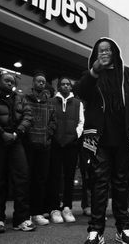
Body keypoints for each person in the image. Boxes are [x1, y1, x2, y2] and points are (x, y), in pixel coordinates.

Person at [74, 37, 129, 244]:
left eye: (107, 49)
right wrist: (94, 71)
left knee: (121, 183)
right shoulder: (92, 76)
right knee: (99, 183)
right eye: (100, 50)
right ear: (95, 54)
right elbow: (80, 92)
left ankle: (123, 229)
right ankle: (95, 231)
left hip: (125, 138)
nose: (104, 53)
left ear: (115, 53)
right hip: (98, 138)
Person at [0, 71, 34, 233]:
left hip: (16, 140)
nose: (10, 83)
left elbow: (28, 116)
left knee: (22, 178)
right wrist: (1, 133)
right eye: (6, 80)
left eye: (12, 81)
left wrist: (17, 133)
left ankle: (21, 219)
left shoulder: (21, 100)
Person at [45, 77, 84, 224]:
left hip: (71, 145)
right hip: (55, 145)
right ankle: (54, 208)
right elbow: (48, 121)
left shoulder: (78, 103)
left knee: (69, 177)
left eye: (68, 84)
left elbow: (81, 122)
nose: (66, 86)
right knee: (54, 176)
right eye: (63, 84)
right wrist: (52, 136)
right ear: (59, 86)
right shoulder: (51, 102)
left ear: (71, 87)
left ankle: (67, 207)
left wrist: (75, 135)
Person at [23, 69, 57, 226]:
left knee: (40, 179)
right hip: (28, 145)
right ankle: (25, 213)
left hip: (45, 146)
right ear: (33, 83)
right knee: (26, 179)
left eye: (43, 82)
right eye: (39, 81)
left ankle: (36, 212)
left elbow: (53, 121)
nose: (41, 83)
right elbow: (22, 118)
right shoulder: (24, 99)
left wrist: (47, 133)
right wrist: (27, 135)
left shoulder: (49, 103)